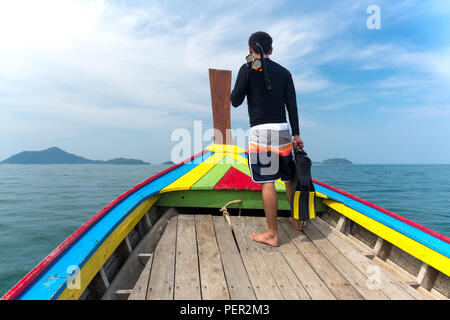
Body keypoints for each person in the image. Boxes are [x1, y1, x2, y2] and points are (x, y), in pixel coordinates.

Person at [230, 31, 304, 247]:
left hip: (261, 132)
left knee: (267, 182)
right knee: (289, 178)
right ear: (271, 50)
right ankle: (297, 220)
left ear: (249, 48)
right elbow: (292, 106)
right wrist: (296, 134)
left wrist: (246, 73)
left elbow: (235, 100)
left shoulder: (247, 69)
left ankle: (272, 234)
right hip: (283, 130)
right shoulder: (284, 72)